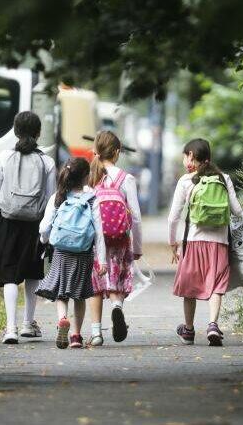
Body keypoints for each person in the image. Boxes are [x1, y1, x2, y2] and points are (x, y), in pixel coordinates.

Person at [0, 111, 56, 344]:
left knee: (10, 274)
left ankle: (10, 328)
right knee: (33, 273)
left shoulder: (4, 157)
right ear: (39, 132)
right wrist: (47, 229)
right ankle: (27, 324)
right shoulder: (47, 161)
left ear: (15, 131)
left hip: (8, 222)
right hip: (35, 224)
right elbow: (51, 198)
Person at [167, 138, 242, 346]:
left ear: (191, 156)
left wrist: (173, 242)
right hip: (219, 243)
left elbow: (173, 217)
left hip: (194, 241)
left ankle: (189, 330)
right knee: (217, 285)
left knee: (190, 287)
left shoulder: (186, 181)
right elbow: (237, 211)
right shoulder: (224, 178)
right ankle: (212, 325)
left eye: (185, 155)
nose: (184, 160)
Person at [36, 158, 106, 349]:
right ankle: (76, 336)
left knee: (61, 293)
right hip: (83, 252)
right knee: (80, 295)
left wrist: (45, 240)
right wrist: (103, 260)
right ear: (86, 177)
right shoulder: (92, 198)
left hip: (61, 251)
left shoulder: (58, 197)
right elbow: (99, 232)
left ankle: (62, 319)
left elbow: (44, 226)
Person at [88, 130, 143, 346]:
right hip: (120, 239)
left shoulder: (91, 177)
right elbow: (136, 216)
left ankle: (96, 333)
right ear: (117, 152)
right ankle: (117, 308)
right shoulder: (126, 178)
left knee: (96, 284)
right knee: (116, 279)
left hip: (96, 240)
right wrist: (137, 246)